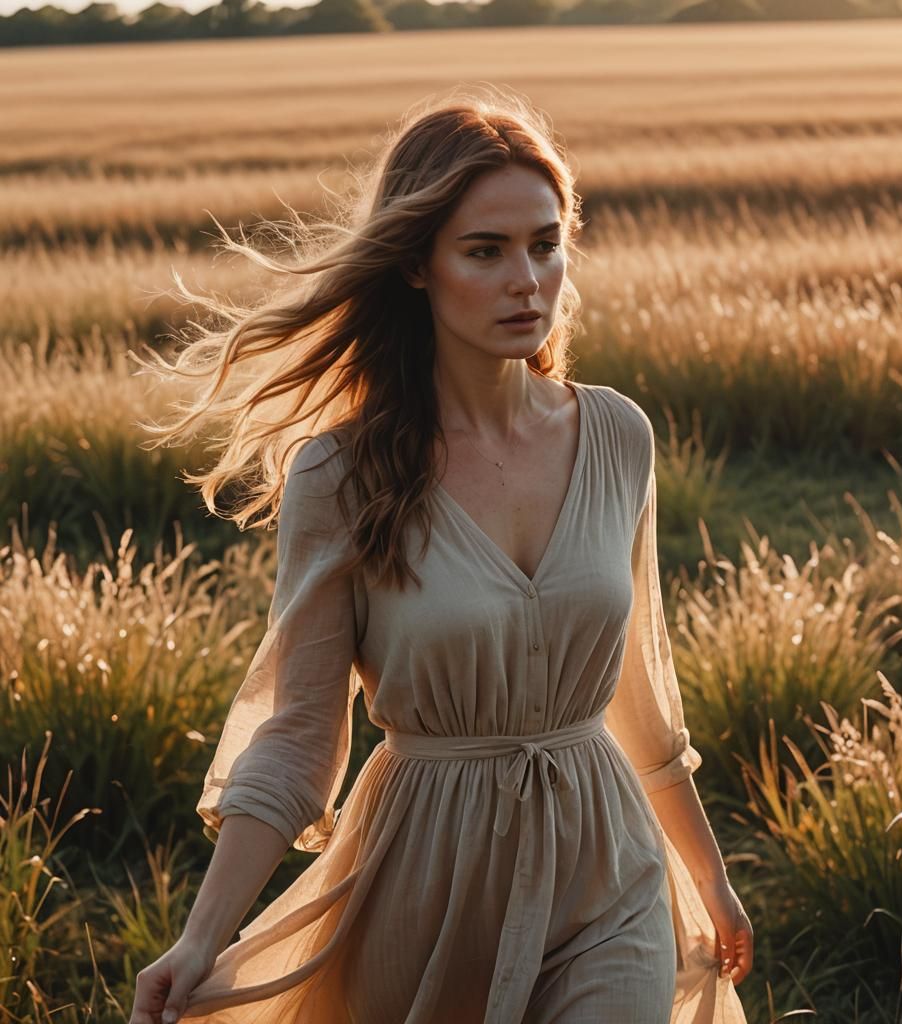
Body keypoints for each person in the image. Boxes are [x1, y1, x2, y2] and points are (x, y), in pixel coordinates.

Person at [128, 84, 753, 1024]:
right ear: (417, 265)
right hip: (429, 873)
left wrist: (709, 878)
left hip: (606, 868)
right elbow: (299, 738)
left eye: (546, 245)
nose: (526, 280)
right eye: (486, 251)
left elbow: (641, 696)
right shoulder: (342, 475)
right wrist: (201, 934)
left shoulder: (618, 436)